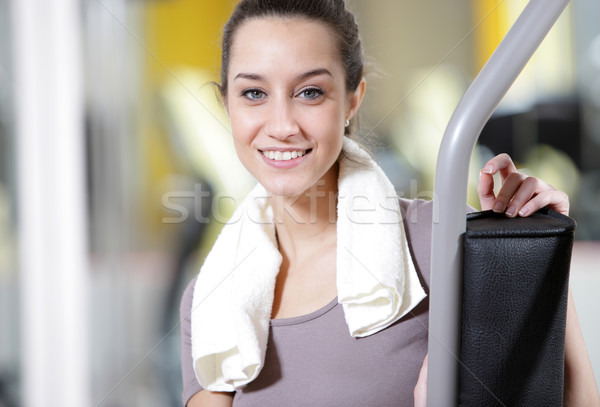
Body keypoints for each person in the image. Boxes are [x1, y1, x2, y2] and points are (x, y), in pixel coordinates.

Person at [180, 1, 600, 406]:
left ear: (352, 100)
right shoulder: (212, 298)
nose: (282, 126)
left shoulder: (444, 242)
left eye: (309, 92)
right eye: (253, 93)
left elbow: (572, 399)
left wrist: (540, 250)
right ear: (226, 105)